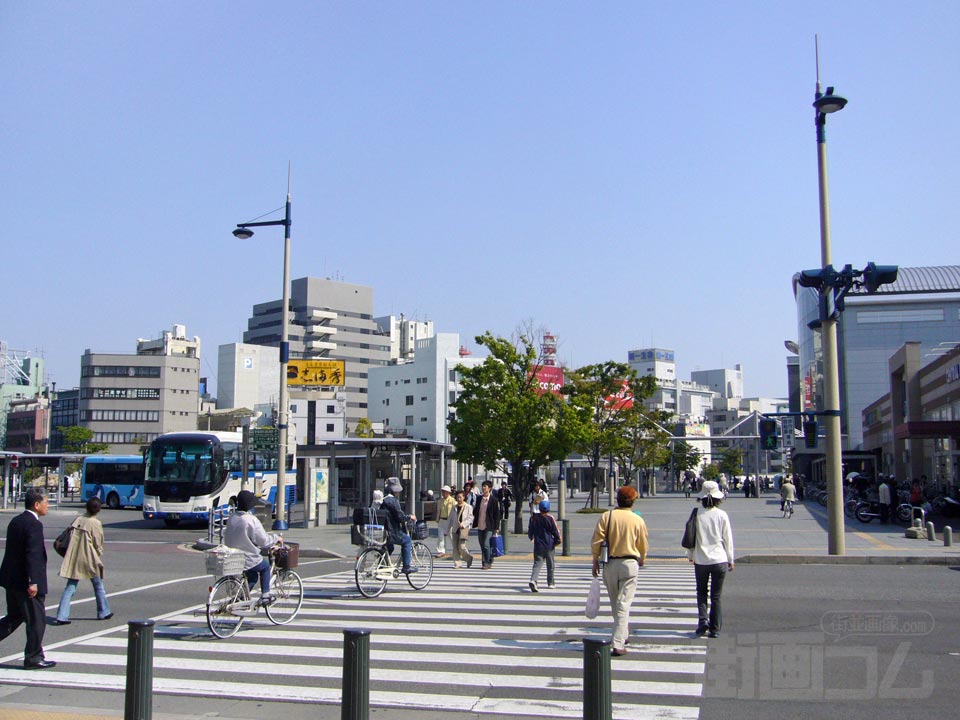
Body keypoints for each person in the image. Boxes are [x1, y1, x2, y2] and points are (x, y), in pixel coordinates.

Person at [0, 487, 56, 669]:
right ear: (36, 504)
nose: (48, 505)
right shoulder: (34, 525)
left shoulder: (16, 521)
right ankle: (33, 657)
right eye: (46, 502)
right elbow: (33, 554)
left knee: (14, 617)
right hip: (26, 583)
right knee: (36, 620)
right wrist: (34, 581)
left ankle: (34, 656)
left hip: (12, 580)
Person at [591, 485, 648, 657]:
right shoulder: (637, 520)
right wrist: (643, 558)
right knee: (624, 603)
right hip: (629, 563)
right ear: (633, 501)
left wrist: (595, 560)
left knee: (616, 602)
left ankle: (623, 633)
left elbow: (597, 540)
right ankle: (618, 643)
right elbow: (643, 544)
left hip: (610, 563)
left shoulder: (607, 516)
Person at [52, 497, 112, 625]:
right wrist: (99, 552)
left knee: (70, 587)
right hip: (89, 557)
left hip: (74, 556)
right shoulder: (95, 523)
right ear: (98, 509)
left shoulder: (78, 519)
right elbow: (98, 543)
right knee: (98, 585)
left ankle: (62, 615)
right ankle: (103, 611)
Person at [689, 480, 735, 639]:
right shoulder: (722, 515)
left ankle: (702, 623)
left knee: (701, 592)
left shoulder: (696, 514)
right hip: (719, 559)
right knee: (716, 596)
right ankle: (715, 629)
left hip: (701, 560)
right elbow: (728, 539)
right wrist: (730, 559)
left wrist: (691, 556)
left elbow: (691, 537)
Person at [224, 490, 281, 600]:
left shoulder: (232, 517)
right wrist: (276, 538)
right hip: (246, 558)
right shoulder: (250, 520)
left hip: (232, 556)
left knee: (253, 576)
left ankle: (241, 598)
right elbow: (263, 541)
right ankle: (265, 596)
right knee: (265, 567)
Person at [382, 479, 418, 574]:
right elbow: (400, 517)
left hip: (382, 531)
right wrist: (409, 517)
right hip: (392, 531)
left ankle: (382, 565)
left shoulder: (382, 500)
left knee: (390, 548)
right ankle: (406, 567)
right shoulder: (393, 501)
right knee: (407, 541)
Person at [527, 499, 561, 592]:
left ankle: (533, 580)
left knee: (537, 564)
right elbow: (555, 531)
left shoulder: (534, 518)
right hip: (549, 544)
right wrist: (557, 541)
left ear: (540, 508)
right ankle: (551, 583)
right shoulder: (550, 518)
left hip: (538, 545)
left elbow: (530, 531)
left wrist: (532, 538)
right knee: (550, 564)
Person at [473, 479, 503, 569]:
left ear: (489, 488)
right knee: (482, 545)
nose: (483, 488)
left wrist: (496, 527)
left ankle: (486, 562)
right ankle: (487, 560)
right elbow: (476, 511)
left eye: (485, 486)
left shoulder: (494, 500)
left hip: (489, 526)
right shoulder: (479, 499)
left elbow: (497, 515)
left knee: (486, 544)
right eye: (483, 486)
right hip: (480, 524)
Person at [452, 490, 475, 569]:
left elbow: (471, 518)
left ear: (464, 497)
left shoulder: (468, 507)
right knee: (455, 547)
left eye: (460, 497)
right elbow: (450, 518)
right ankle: (457, 563)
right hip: (455, 529)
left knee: (461, 547)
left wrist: (464, 524)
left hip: (463, 529)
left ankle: (468, 558)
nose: (459, 499)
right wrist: (446, 529)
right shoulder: (454, 507)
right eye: (457, 497)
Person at [435, 485, 456, 558]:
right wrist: (437, 519)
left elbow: (455, 511)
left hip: (449, 521)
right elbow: (439, 510)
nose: (443, 493)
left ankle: (456, 550)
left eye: (444, 492)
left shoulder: (452, 500)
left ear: (448, 492)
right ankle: (441, 551)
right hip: (441, 520)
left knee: (452, 536)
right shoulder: (440, 501)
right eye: (442, 492)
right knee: (440, 536)